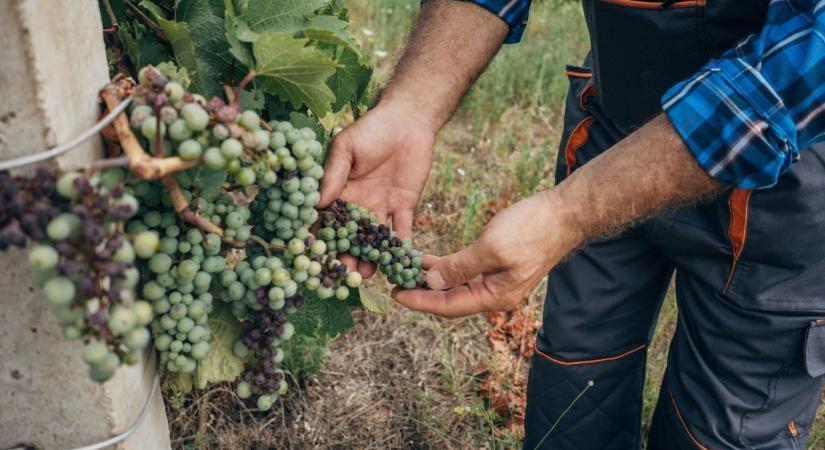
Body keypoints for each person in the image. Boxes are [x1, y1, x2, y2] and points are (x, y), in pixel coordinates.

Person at [319, 0, 825, 448]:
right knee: (574, 397)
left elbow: (803, 63)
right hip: (612, 127)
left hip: (784, 184)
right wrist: (413, 105)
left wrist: (571, 212)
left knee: (727, 432)